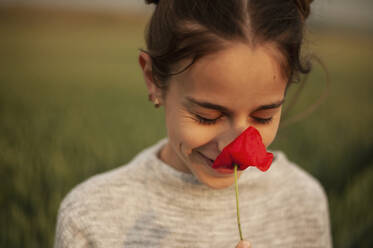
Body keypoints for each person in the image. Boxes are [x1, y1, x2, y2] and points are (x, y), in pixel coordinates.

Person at [54, 0, 332, 247]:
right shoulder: (90, 215)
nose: (235, 146)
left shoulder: (303, 202)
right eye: (206, 117)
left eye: (263, 117)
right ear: (153, 80)